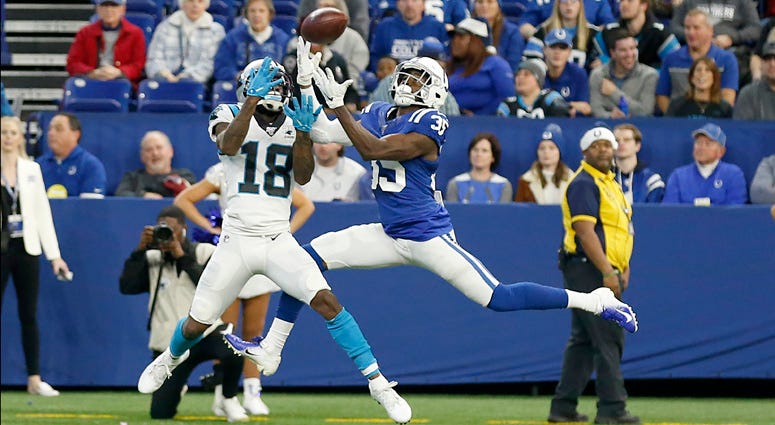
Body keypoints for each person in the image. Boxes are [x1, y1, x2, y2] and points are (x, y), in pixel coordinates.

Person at [224, 42, 638, 391]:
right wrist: (307, 86)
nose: (405, 82)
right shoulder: (380, 111)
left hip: (426, 236)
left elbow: (376, 151)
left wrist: (341, 109)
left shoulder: (432, 121)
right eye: (404, 75)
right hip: (389, 232)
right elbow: (322, 131)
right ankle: (272, 347)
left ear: (436, 90)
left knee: (497, 296)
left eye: (417, 78)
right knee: (305, 260)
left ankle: (592, 299)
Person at [137, 56, 413, 424]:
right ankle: (170, 358)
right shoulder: (229, 111)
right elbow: (229, 146)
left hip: (276, 238)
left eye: (279, 84)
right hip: (235, 240)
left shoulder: (293, 117)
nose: (277, 90)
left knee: (328, 302)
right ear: (249, 86)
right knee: (196, 323)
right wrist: (251, 102)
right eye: (268, 83)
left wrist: (302, 132)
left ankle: (378, 383)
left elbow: (303, 174)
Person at [174, 162, 314, 416]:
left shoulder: (271, 167)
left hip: (264, 256)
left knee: (254, 331)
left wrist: (283, 234)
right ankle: (223, 395)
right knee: (226, 333)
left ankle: (252, 392)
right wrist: (210, 229)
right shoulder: (223, 169)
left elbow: (306, 205)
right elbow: (184, 199)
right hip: (233, 255)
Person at [119, 205, 248, 421]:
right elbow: (127, 286)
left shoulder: (203, 252)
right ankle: (177, 387)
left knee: (234, 351)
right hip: (170, 344)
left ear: (183, 229)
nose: (167, 235)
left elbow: (215, 287)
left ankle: (228, 398)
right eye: (162, 229)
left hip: (205, 333)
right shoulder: (151, 258)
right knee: (160, 414)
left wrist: (181, 256)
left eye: (172, 230)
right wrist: (139, 251)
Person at [549, 125, 639, 425]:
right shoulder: (585, 183)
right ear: (585, 152)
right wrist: (607, 271)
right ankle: (613, 408)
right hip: (589, 268)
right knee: (609, 337)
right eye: (597, 145)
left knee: (584, 340)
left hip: (600, 268)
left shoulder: (610, 182)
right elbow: (585, 232)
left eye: (608, 145)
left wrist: (622, 266)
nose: (604, 150)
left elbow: (621, 230)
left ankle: (563, 407)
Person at [1, 116, 71, 397]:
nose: (7, 137)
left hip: (27, 248)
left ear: (20, 137)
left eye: (12, 132)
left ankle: (34, 378)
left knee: (28, 314)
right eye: (3, 132)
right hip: (2, 247)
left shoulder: (32, 169)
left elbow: (42, 213)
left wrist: (55, 256)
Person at [655, 9, 739, 114]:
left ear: (710, 30)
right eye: (687, 27)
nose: (690, 32)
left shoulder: (727, 59)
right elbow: (662, 95)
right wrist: (674, 118)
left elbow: (728, 96)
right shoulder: (671, 59)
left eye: (696, 28)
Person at [670, 0, 761, 85]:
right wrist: (699, 37)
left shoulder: (743, 2)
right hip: (695, 49)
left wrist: (732, 38)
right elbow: (674, 27)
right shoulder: (689, 2)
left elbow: (755, 29)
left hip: (731, 50)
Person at [370, 37, 461, 116]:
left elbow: (454, 124)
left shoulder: (443, 92)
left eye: (437, 64)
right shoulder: (390, 81)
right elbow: (374, 116)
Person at [65, 0, 146, 89]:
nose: (109, 10)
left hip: (121, 83)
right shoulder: (85, 33)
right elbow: (73, 63)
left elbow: (138, 65)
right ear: (97, 9)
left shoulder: (135, 33)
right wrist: (92, 72)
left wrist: (119, 72)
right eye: (104, 6)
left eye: (114, 6)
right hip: (90, 81)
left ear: (123, 9)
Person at [663, 123, 747, 205]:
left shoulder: (733, 174)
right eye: (698, 142)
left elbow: (735, 212)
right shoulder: (678, 176)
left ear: (721, 151)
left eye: (708, 144)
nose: (701, 147)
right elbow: (670, 212)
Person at [145, 0, 225, 84]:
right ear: (182, 4)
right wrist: (164, 74)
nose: (195, 5)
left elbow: (210, 64)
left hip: (195, 82)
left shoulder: (216, 31)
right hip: (163, 80)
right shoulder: (164, 27)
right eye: (190, 1)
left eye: (200, 1)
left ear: (206, 5)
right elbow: (154, 58)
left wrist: (187, 76)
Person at [448, 18, 515, 115]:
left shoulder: (496, 64)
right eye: (454, 37)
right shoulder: (454, 67)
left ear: (477, 41)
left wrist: (479, 116)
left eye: (461, 37)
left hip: (488, 126)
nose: (455, 41)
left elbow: (508, 99)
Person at [213, 0, 291, 82]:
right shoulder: (233, 37)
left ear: (270, 14)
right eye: (252, 11)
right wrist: (238, 76)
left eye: (261, 11)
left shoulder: (282, 39)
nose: (257, 15)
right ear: (246, 14)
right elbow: (222, 68)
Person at [589, 28, 658, 118]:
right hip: (605, 126)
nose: (629, 54)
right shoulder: (598, 75)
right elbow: (595, 110)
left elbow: (645, 112)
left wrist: (614, 93)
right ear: (613, 53)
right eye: (623, 50)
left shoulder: (649, 76)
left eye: (632, 48)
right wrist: (610, 116)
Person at [36, 112, 106, 198]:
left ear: (75, 134)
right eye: (49, 129)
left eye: (58, 129)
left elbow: (91, 207)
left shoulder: (90, 165)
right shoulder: (37, 166)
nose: (51, 133)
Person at [522, 0, 605, 72]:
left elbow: (611, 57)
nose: (568, 5)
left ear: (580, 4)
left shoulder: (593, 33)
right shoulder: (543, 31)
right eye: (564, 1)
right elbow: (529, 63)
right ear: (558, 4)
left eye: (573, 1)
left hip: (581, 85)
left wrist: (603, 60)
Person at [597, 0, 680, 69]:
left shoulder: (660, 33)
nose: (624, 4)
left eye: (630, 1)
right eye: (621, 1)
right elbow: (596, 60)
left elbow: (676, 64)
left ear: (643, 5)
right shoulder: (609, 31)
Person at [369, 0, 448, 71]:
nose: (409, 5)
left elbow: (446, 60)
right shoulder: (384, 26)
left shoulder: (437, 27)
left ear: (423, 4)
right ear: (397, 3)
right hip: (391, 81)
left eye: (414, 0)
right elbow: (375, 58)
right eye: (404, 0)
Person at [115, 131, 197, 198]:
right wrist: (143, 196)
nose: (155, 153)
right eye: (149, 150)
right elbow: (120, 194)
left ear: (171, 151)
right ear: (142, 157)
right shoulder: (132, 178)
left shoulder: (185, 176)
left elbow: (195, 196)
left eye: (159, 148)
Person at [445, 132, 513, 204]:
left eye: (484, 151)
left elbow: (504, 214)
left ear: (493, 157)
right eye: (475, 150)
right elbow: (452, 213)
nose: (478, 154)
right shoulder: (455, 183)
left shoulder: (503, 185)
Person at [515, 123, 572, 204]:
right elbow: (519, 212)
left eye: (551, 148)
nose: (546, 152)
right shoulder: (525, 181)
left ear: (560, 152)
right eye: (542, 148)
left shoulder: (572, 181)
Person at [542, 29, 592, 117]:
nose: (557, 52)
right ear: (545, 49)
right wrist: (570, 106)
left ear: (569, 52)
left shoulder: (578, 74)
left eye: (563, 48)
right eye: (553, 46)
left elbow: (585, 109)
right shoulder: (537, 71)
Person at [499, 58, 571, 118]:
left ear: (538, 79)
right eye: (518, 74)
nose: (520, 77)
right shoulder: (508, 104)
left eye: (526, 74)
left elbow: (563, 121)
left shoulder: (550, 98)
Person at [666, 56, 733, 118]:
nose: (702, 74)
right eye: (698, 70)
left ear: (714, 78)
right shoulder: (677, 105)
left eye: (707, 70)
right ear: (691, 78)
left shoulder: (725, 108)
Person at [613, 123, 664, 204]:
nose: (621, 143)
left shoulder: (652, 180)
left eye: (626, 140)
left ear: (637, 146)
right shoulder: (604, 178)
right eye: (616, 140)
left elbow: (654, 213)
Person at [301, 143, 367, 201]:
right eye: (318, 141)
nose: (323, 146)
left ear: (339, 145)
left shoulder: (357, 173)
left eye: (328, 142)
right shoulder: (298, 169)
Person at [472, 0, 525, 72]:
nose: (484, 5)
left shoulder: (512, 32)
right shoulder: (465, 29)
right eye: (480, 2)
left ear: (498, 6)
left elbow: (512, 67)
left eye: (490, 2)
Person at [734, 42, 775, 121]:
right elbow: (741, 129)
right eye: (767, 59)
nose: (772, 64)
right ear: (761, 63)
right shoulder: (748, 94)